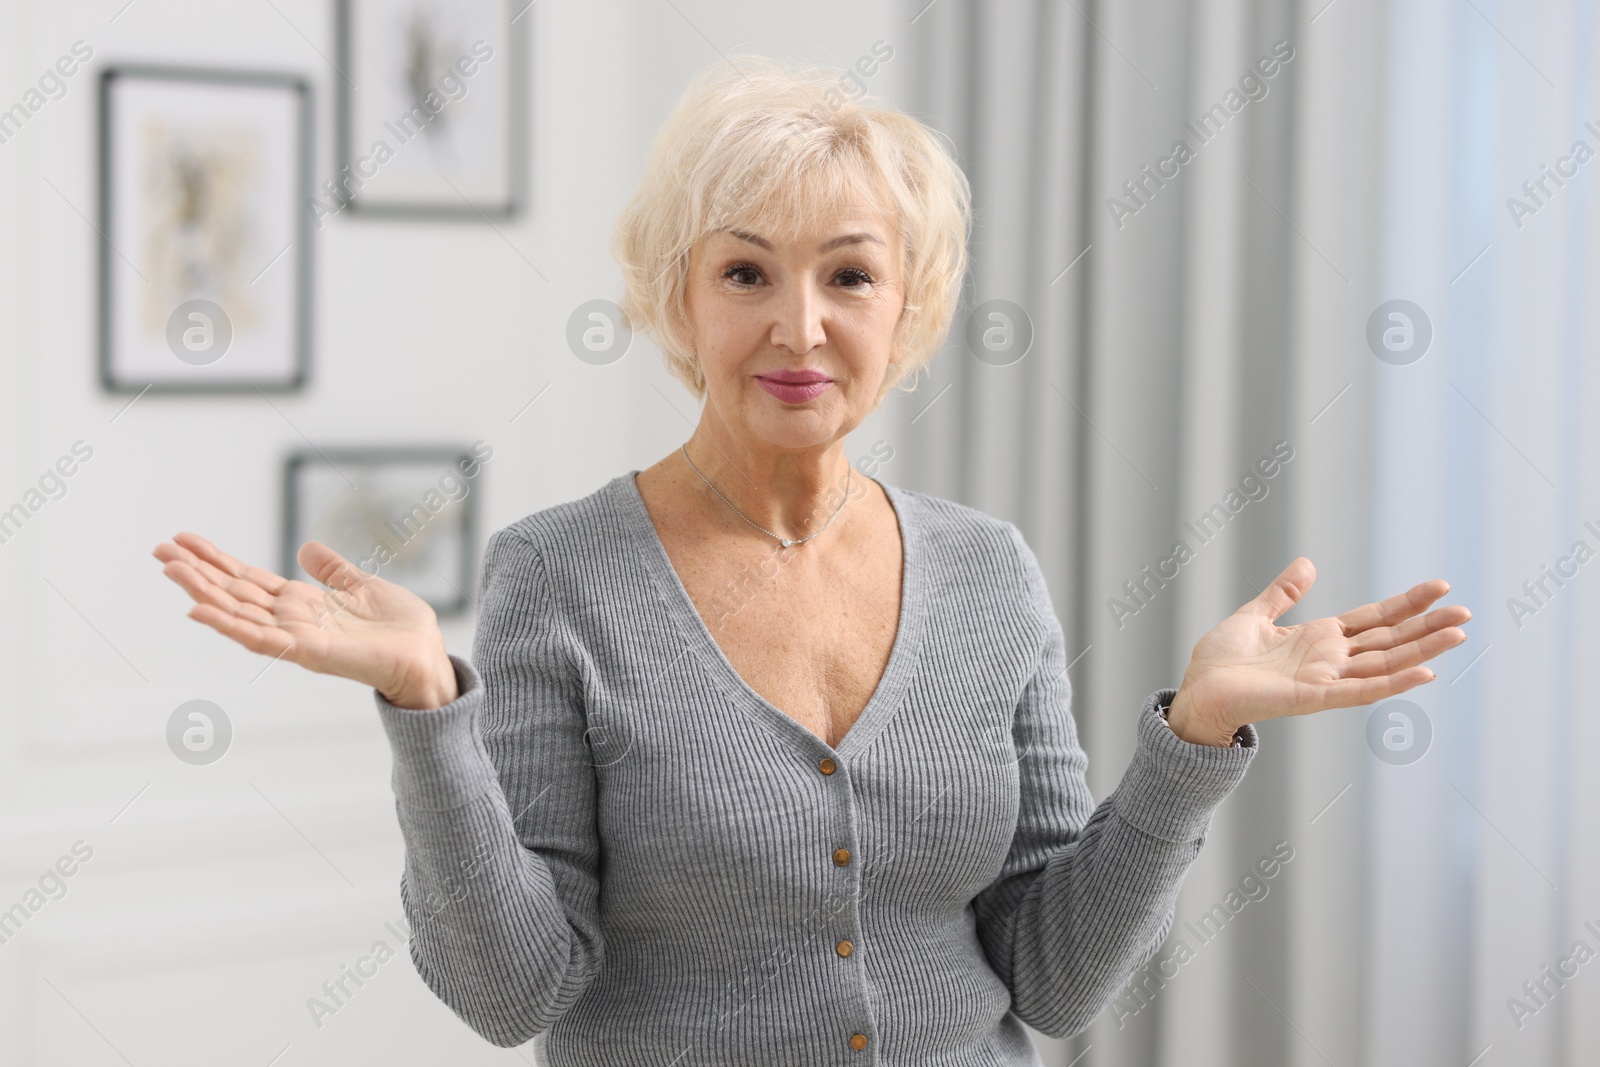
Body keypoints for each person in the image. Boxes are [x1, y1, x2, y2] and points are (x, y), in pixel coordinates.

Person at [151, 54, 1471, 1064]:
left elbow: (1053, 978)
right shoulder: (556, 577)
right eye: (745, 274)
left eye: (849, 276)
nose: (800, 326)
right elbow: (512, 993)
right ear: (679, 299)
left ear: (910, 306)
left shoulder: (991, 571)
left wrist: (1200, 730)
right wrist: (425, 707)